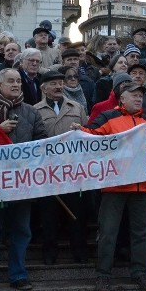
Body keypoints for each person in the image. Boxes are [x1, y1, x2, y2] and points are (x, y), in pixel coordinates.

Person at [80, 82, 146, 291]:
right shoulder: (109, 118)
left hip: (141, 186)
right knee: (108, 232)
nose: (138, 98)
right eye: (133, 95)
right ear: (122, 99)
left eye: (140, 95)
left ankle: (140, 273)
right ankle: (103, 274)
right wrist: (79, 132)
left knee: (141, 233)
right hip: (114, 186)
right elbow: (91, 139)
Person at [0, 69, 47, 291]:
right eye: (10, 81)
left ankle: (18, 274)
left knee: (21, 231)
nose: (16, 84)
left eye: (18, 81)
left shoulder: (31, 112)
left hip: (22, 185)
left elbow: (42, 142)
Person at [33, 70, 90, 265]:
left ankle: (79, 250)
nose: (58, 86)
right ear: (43, 88)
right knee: (48, 214)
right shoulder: (35, 110)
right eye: (53, 84)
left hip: (73, 169)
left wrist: (81, 130)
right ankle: (49, 251)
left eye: (60, 82)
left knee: (77, 212)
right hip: (47, 171)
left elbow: (89, 134)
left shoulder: (77, 107)